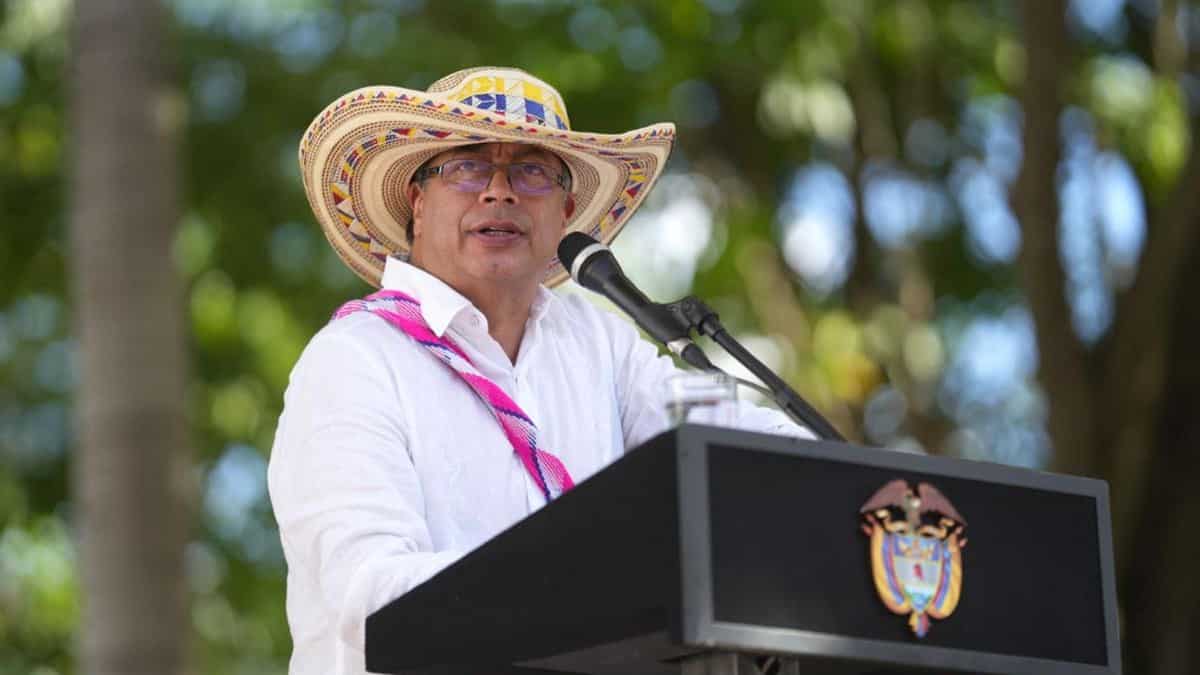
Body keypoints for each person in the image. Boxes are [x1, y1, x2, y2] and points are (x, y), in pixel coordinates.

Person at [268, 66, 815, 675]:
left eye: (532, 171)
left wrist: (839, 483)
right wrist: (594, 587)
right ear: (417, 203)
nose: (499, 191)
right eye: (467, 165)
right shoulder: (354, 359)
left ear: (566, 215)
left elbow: (732, 447)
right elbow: (372, 599)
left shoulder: (600, 342)